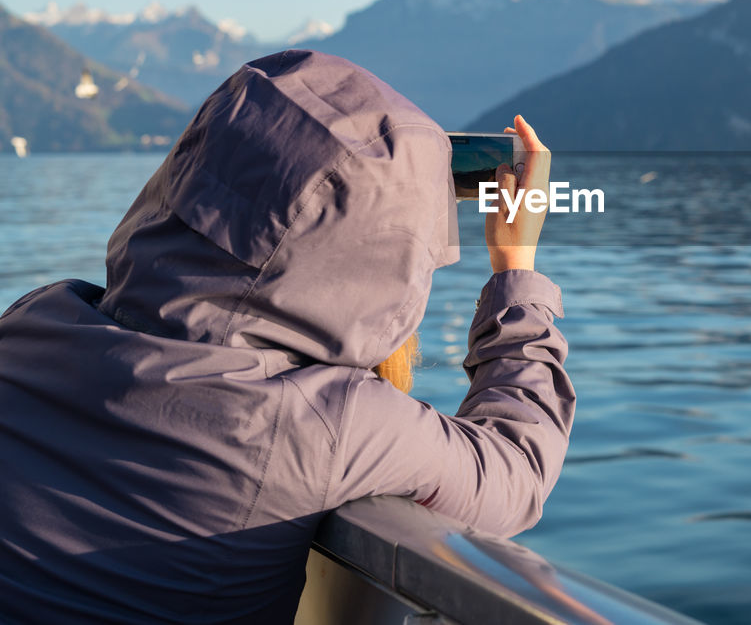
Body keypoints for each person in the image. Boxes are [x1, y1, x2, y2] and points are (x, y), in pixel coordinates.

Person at [0, 50, 575, 623]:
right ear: (385, 251)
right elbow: (515, 470)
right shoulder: (328, 422)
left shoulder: (36, 322)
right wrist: (514, 267)